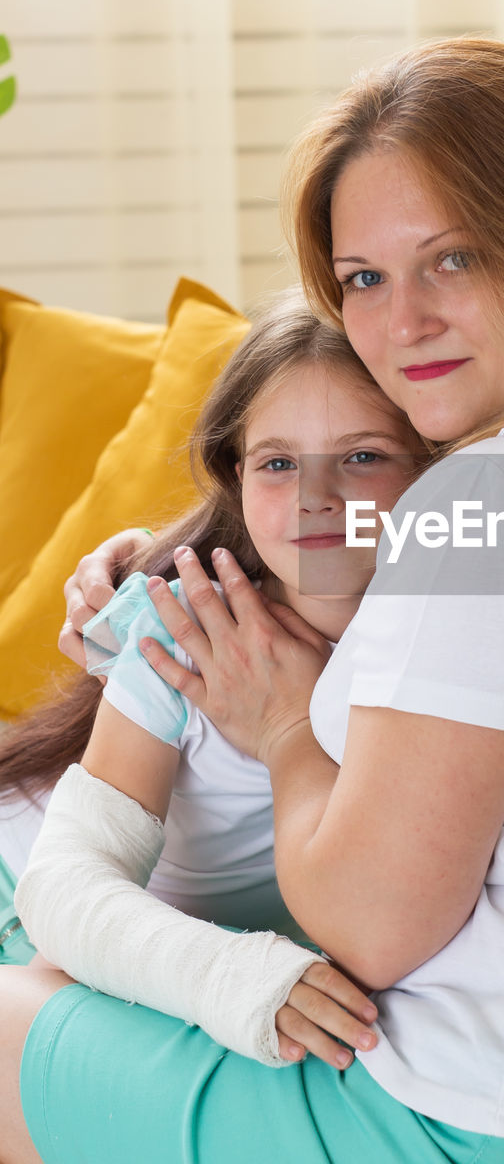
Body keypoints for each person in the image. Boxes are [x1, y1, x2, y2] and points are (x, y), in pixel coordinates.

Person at [0, 37, 504, 1164]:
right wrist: (182, 547)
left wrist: (291, 727)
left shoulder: (496, 492)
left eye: (454, 259)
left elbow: (373, 923)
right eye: (364, 279)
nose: (403, 323)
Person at [1, 299, 426, 1070]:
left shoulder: (462, 644)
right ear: (235, 476)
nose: (313, 497)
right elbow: (61, 890)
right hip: (28, 889)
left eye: (363, 456)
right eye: (277, 462)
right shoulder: (188, 633)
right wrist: (237, 975)